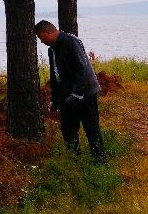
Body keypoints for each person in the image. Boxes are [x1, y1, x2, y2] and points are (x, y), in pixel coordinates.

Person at [35, 20, 105, 163]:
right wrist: (55, 100)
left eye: (42, 38)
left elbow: (82, 68)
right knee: (68, 129)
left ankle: (100, 162)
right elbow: (55, 76)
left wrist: (78, 93)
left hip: (86, 92)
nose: (41, 42)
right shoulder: (51, 50)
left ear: (48, 32)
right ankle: (74, 160)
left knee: (91, 128)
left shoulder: (71, 41)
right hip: (68, 93)